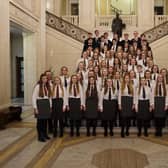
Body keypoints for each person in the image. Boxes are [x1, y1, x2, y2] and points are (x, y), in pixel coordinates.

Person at [32, 73, 52, 142]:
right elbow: (34, 97)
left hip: (46, 105)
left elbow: (49, 98)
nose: (45, 80)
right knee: (40, 121)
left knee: (45, 121)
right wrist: (35, 108)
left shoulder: (47, 86)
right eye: (43, 78)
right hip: (40, 104)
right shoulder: (37, 86)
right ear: (41, 79)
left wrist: (50, 106)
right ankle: (40, 136)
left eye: (46, 78)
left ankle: (45, 134)